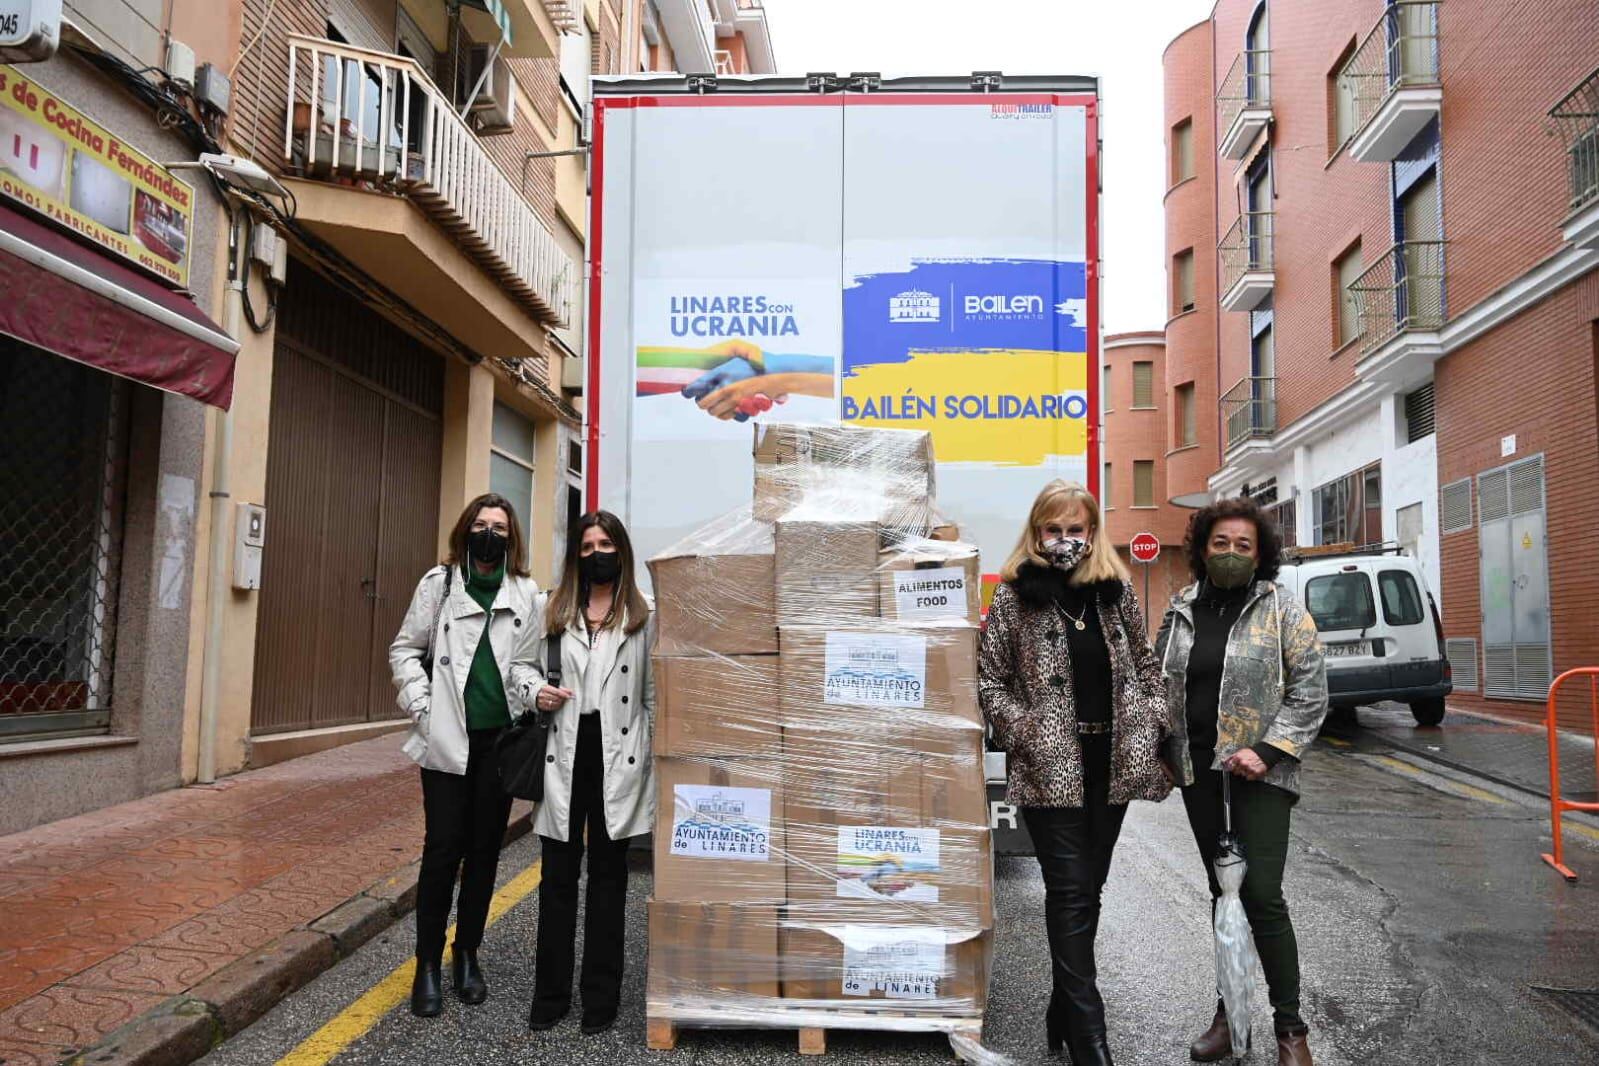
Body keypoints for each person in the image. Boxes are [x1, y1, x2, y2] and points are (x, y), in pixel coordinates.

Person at [978, 480, 1171, 1065]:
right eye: (1054, 529)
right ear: (1037, 534)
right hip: (1050, 767)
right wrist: (1026, 730)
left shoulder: (1114, 593)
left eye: (1075, 529)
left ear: (1092, 533)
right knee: (1067, 891)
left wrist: (1153, 715)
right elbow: (989, 680)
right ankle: (1090, 1035)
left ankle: (1062, 1008)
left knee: (1090, 889)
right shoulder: (1015, 596)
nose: (1065, 540)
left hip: (1111, 762)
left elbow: (1145, 664)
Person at [1155, 497, 1328, 1066]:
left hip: (1260, 775)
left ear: (1261, 555)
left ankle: (1290, 1030)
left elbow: (1310, 692)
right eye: (1221, 543)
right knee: (1222, 896)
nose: (1231, 553)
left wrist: (1268, 752)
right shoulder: (1181, 609)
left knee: (1260, 896)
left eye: (1243, 545)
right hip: (1199, 776)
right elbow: (1159, 686)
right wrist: (1162, 750)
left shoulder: (1283, 611)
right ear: (1203, 549)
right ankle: (1230, 1016)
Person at [389, 493, 540, 1017]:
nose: (489, 534)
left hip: (499, 745)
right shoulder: (440, 584)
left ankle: (467, 952)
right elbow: (405, 649)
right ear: (465, 530)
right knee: (441, 851)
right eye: (480, 524)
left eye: (499, 526)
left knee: (484, 853)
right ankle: (427, 963)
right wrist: (423, 708)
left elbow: (527, 663)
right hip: (447, 741)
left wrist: (532, 695)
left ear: (511, 537)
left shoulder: (526, 592)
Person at [511, 511, 654, 1036]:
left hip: (619, 754)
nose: (598, 554)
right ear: (576, 554)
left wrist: (655, 762)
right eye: (588, 546)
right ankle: (550, 996)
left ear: (622, 551)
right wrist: (536, 692)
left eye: (606, 544)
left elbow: (653, 696)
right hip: (563, 750)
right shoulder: (551, 608)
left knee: (609, 881)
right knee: (557, 878)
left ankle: (601, 998)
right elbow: (518, 668)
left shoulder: (644, 614)